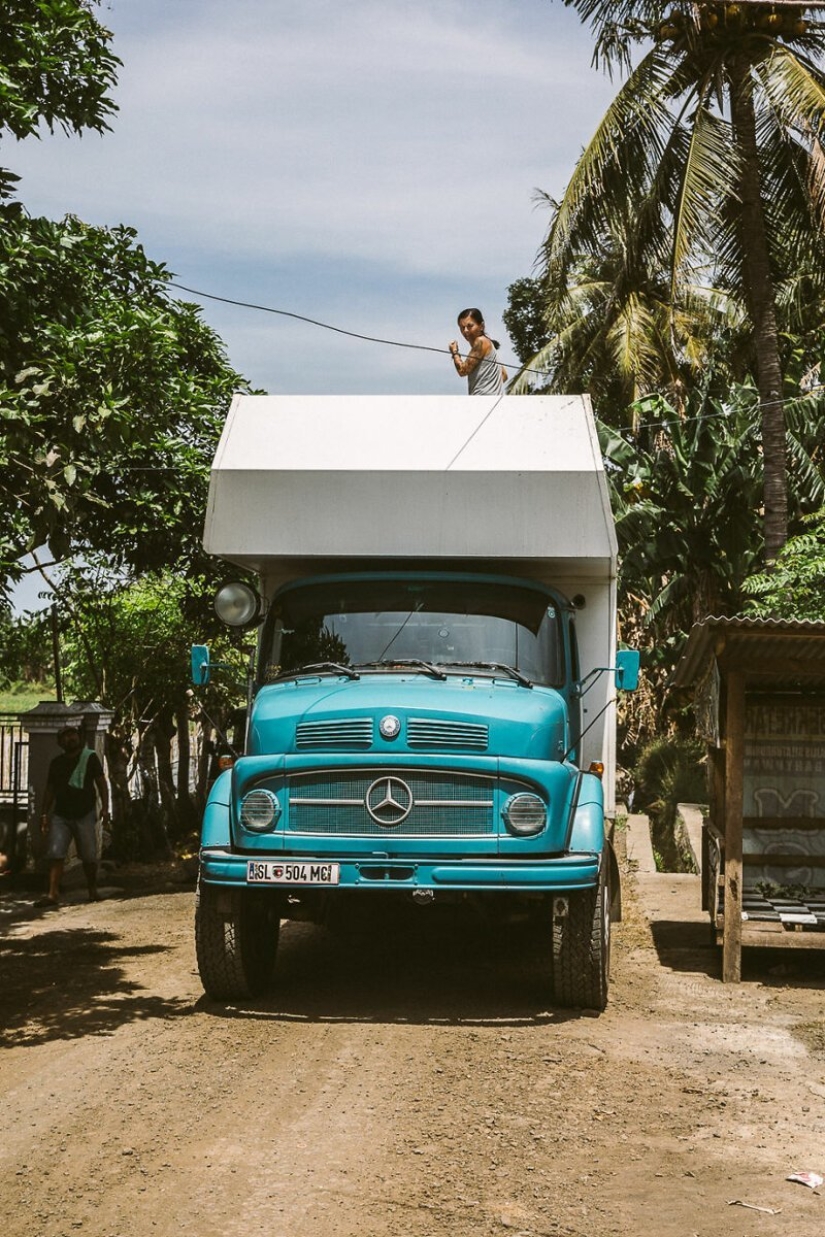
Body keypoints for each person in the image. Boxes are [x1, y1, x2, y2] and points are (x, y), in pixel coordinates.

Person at [36, 726, 110, 908]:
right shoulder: (57, 763)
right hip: (61, 814)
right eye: (66, 736)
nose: (71, 738)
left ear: (79, 737)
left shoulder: (90, 757)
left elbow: (101, 783)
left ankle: (92, 890)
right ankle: (53, 894)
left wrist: (105, 808)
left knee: (89, 855)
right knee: (56, 853)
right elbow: (50, 790)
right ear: (60, 742)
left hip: (85, 814)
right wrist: (44, 813)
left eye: (73, 734)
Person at [449, 307, 508, 395]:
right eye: (462, 327)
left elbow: (462, 370)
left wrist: (455, 352)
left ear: (481, 326)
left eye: (470, 326)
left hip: (482, 401)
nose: (465, 331)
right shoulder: (489, 345)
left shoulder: (481, 341)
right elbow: (504, 375)